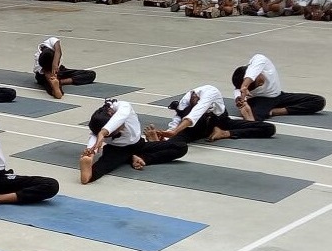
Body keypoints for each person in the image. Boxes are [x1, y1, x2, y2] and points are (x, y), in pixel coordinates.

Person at [79, 100, 188, 184]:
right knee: (103, 166)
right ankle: (88, 176)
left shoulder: (123, 106)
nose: (121, 130)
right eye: (116, 131)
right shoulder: (98, 123)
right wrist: (90, 153)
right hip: (117, 150)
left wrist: (103, 132)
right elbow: (94, 136)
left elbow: (120, 116)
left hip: (139, 145)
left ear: (111, 113)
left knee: (181, 147)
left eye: (117, 128)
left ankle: (139, 158)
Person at [145, 85, 275, 144]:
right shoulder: (185, 101)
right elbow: (178, 119)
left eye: (196, 102)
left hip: (221, 122)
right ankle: (157, 144)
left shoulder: (209, 91)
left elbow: (196, 112)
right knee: (177, 143)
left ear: (196, 95)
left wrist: (226, 132)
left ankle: (224, 134)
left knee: (268, 128)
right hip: (197, 128)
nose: (194, 105)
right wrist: (168, 134)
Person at [231, 54, 326, 122]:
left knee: (319, 101)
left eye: (259, 79)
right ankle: (265, 111)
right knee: (255, 118)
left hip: (280, 96)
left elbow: (256, 65)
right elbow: (237, 91)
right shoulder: (241, 87)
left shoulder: (260, 62)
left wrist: (245, 85)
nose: (261, 83)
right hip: (263, 100)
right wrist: (240, 102)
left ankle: (275, 111)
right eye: (258, 86)